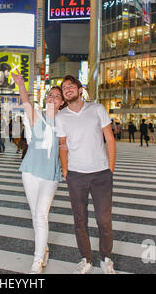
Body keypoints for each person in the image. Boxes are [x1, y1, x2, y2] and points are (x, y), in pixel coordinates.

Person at [56, 75, 117, 274]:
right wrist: (66, 171)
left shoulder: (97, 109)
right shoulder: (61, 116)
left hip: (101, 174)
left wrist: (111, 169)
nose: (67, 89)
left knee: (103, 219)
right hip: (76, 175)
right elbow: (63, 146)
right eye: (64, 87)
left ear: (80, 89)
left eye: (71, 86)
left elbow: (110, 138)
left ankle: (106, 258)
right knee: (80, 220)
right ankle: (86, 259)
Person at [11, 71, 65, 274]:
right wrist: (21, 84)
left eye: (57, 96)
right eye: (50, 95)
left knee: (41, 215)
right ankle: (43, 249)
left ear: (61, 103)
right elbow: (25, 101)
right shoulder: (38, 117)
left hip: (50, 174)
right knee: (36, 215)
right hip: (30, 171)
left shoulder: (64, 121)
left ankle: (37, 261)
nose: (52, 98)